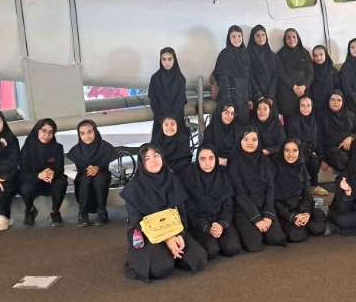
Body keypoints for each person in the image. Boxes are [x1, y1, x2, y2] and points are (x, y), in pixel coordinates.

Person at [121, 144, 208, 282]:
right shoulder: (134, 187)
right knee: (161, 268)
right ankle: (162, 253)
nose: (153, 160)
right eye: (147, 158)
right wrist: (168, 239)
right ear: (142, 163)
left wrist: (180, 234)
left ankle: (171, 252)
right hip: (148, 233)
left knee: (199, 259)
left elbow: (181, 212)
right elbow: (137, 220)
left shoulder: (171, 179)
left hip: (173, 227)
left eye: (156, 155)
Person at [227, 127, 287, 251]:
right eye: (246, 139)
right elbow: (239, 193)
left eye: (254, 139)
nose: (250, 142)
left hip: (263, 205)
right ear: (240, 141)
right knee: (254, 244)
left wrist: (268, 215)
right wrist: (256, 219)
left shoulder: (264, 159)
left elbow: (270, 188)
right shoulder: (234, 161)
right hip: (244, 208)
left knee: (276, 238)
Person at [181, 145, 241, 259]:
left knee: (232, 248)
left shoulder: (223, 175)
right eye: (202, 159)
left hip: (219, 219)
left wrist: (222, 224)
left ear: (216, 159)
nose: (207, 163)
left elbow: (228, 205)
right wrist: (206, 227)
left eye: (211, 158)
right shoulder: (189, 178)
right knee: (212, 250)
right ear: (197, 160)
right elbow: (188, 210)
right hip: (199, 223)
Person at [272, 138, 326, 242]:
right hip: (284, 212)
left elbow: (307, 194)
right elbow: (274, 201)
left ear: (299, 152)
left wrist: (306, 213)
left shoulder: (301, 166)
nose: (290, 154)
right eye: (287, 150)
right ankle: (302, 225)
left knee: (318, 228)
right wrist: (292, 217)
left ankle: (304, 222)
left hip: (300, 207)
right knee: (296, 236)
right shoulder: (275, 168)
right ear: (282, 151)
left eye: (294, 150)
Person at [19, 118, 68, 228]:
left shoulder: (58, 147)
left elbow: (60, 169)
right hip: (34, 181)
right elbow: (23, 172)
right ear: (37, 130)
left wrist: (51, 173)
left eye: (51, 132)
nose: (47, 135)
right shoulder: (27, 149)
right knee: (24, 186)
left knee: (61, 182)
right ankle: (30, 210)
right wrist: (39, 175)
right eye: (44, 131)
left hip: (50, 180)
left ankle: (55, 212)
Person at [67, 119, 117, 227]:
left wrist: (98, 167)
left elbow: (105, 164)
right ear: (79, 135)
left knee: (99, 179)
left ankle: (102, 212)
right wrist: (90, 169)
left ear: (95, 131)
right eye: (82, 133)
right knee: (85, 180)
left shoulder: (104, 146)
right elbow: (81, 170)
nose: (86, 136)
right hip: (83, 176)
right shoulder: (77, 150)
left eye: (89, 132)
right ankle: (83, 214)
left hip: (102, 175)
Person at [285, 96, 327, 196]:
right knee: (305, 158)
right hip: (298, 150)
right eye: (303, 105)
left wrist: (320, 154)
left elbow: (320, 139)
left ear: (312, 107)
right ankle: (303, 188)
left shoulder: (316, 120)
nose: (306, 108)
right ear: (298, 106)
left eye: (308, 105)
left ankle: (314, 186)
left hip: (313, 150)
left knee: (314, 159)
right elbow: (293, 140)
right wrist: (310, 151)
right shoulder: (293, 120)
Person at [213, 25, 252, 126]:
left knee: (243, 127)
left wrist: (249, 98)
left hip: (243, 97)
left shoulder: (246, 54)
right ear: (229, 38)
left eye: (239, 36)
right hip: (229, 96)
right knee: (229, 126)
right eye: (233, 36)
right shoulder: (224, 54)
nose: (237, 39)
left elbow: (248, 78)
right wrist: (228, 102)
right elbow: (223, 80)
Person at [322, 90, 356, 174]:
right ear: (328, 101)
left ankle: (350, 176)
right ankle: (349, 176)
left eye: (339, 100)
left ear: (343, 102)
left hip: (349, 147)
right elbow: (319, 139)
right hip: (332, 149)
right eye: (332, 100)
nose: (336, 102)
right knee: (339, 156)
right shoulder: (323, 117)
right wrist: (322, 159)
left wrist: (351, 138)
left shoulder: (350, 115)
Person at [148, 47, 186, 137]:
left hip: (177, 120)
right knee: (159, 144)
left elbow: (180, 101)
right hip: (160, 120)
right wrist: (162, 119)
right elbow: (153, 100)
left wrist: (172, 119)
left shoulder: (180, 79)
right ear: (160, 60)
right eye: (164, 59)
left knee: (179, 143)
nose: (167, 62)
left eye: (169, 59)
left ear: (174, 59)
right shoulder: (155, 78)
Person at [276, 28, 314, 120]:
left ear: (298, 38)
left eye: (294, 37)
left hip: (304, 92)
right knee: (290, 121)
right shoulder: (280, 55)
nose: (291, 39)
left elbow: (310, 72)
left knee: (305, 118)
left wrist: (304, 86)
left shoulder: (305, 53)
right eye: (288, 37)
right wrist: (294, 87)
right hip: (287, 93)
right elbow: (281, 74)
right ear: (285, 40)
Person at [309, 45, 340, 145]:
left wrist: (334, 103)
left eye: (321, 54)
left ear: (326, 55)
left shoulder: (333, 70)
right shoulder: (311, 71)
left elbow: (338, 89)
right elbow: (309, 89)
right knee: (319, 133)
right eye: (315, 55)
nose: (318, 58)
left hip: (331, 107)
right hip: (316, 108)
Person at [202, 101, 241, 165]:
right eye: (226, 113)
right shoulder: (210, 130)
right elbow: (206, 151)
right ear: (219, 113)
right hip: (215, 164)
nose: (229, 116)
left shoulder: (237, 129)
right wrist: (222, 161)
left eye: (232, 113)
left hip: (235, 164)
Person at [248, 24, 279, 103]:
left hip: (271, 98)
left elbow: (275, 76)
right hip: (255, 97)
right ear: (253, 38)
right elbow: (249, 77)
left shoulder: (272, 55)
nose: (261, 38)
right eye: (257, 35)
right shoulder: (247, 55)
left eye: (263, 35)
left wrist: (270, 96)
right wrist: (258, 95)